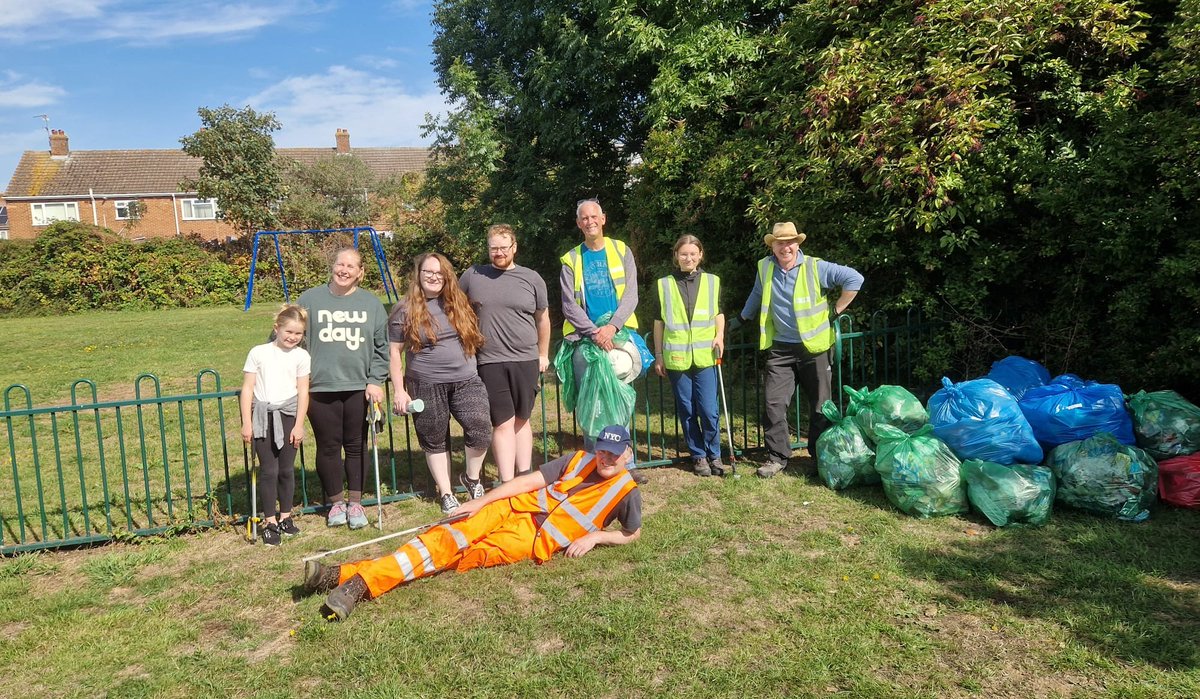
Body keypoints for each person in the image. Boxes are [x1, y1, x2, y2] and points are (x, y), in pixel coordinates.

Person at [302, 424, 642, 621]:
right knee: (446, 537)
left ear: (627, 453)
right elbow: (528, 482)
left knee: (458, 555)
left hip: (531, 538)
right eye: (602, 451)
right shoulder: (579, 459)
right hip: (512, 506)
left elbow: (632, 533)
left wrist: (597, 537)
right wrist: (483, 500)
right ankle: (358, 585)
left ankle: (343, 575)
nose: (605, 459)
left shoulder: (626, 491)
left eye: (613, 454)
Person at [735, 222, 863, 478]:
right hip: (781, 349)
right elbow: (756, 294)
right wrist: (740, 319)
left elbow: (855, 279)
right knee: (773, 404)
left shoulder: (815, 267)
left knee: (820, 406)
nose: (786, 247)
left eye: (790, 242)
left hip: (813, 348)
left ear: (798, 244)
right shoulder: (765, 267)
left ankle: (820, 455)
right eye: (780, 242)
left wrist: (835, 310)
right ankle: (777, 457)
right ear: (772, 245)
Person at [389, 252, 493, 516]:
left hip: (466, 379)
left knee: (480, 427)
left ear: (447, 276)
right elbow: (394, 353)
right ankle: (446, 492)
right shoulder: (404, 309)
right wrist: (399, 390)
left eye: (439, 273)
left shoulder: (460, 303)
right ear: (419, 276)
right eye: (428, 272)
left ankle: (472, 479)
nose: (434, 277)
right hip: (426, 383)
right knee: (433, 438)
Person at [297, 248, 389, 529]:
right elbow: (290, 337)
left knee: (356, 445)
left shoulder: (371, 304)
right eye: (340, 264)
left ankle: (356, 503)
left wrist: (376, 380)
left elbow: (381, 348)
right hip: (319, 387)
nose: (344, 270)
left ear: (360, 272)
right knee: (327, 445)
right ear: (332, 266)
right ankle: (336, 503)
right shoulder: (310, 300)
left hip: (358, 388)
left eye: (351, 266)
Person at [460, 224, 551, 483]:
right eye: (493, 248)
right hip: (490, 360)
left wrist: (542, 354)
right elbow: (454, 307)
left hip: (526, 358)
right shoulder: (473, 275)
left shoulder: (531, 278)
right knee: (502, 422)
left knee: (522, 419)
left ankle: (524, 476)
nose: (498, 252)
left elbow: (543, 318)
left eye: (503, 247)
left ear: (514, 247)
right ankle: (507, 481)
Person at [559, 198, 639, 441]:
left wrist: (612, 327)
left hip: (619, 337)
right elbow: (568, 305)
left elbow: (631, 294)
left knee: (620, 398)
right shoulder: (571, 259)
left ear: (603, 219)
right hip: (585, 340)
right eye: (584, 218)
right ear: (578, 223)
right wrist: (595, 333)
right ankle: (595, 460)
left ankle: (624, 461)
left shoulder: (622, 250)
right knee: (591, 402)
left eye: (594, 216)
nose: (590, 221)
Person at [652, 235, 726, 477]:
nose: (688, 258)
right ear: (676, 256)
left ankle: (715, 454)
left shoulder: (713, 282)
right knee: (686, 408)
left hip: (705, 357)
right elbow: (659, 322)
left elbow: (718, 313)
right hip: (677, 360)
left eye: (693, 254)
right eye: (683, 254)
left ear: (700, 255)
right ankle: (698, 456)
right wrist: (659, 355)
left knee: (709, 409)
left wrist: (720, 336)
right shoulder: (664, 285)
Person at [239, 304, 311, 546]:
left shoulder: (302, 356)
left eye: (298, 333)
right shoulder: (258, 352)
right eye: (288, 332)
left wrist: (299, 424)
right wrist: (247, 423)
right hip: (262, 417)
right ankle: (269, 521)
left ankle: (286, 517)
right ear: (276, 328)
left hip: (289, 415)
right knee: (268, 470)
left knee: (286, 470)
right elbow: (248, 389)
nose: (292, 337)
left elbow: (303, 392)